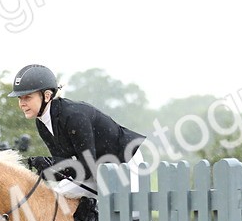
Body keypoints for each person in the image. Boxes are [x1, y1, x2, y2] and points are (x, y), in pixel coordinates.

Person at [8, 64, 146, 198]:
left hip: (124, 162)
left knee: (129, 216)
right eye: (20, 98)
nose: (22, 103)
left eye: (27, 97)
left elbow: (85, 168)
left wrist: (51, 164)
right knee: (58, 196)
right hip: (97, 169)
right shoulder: (42, 123)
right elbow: (65, 167)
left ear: (47, 96)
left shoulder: (73, 117)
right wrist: (43, 168)